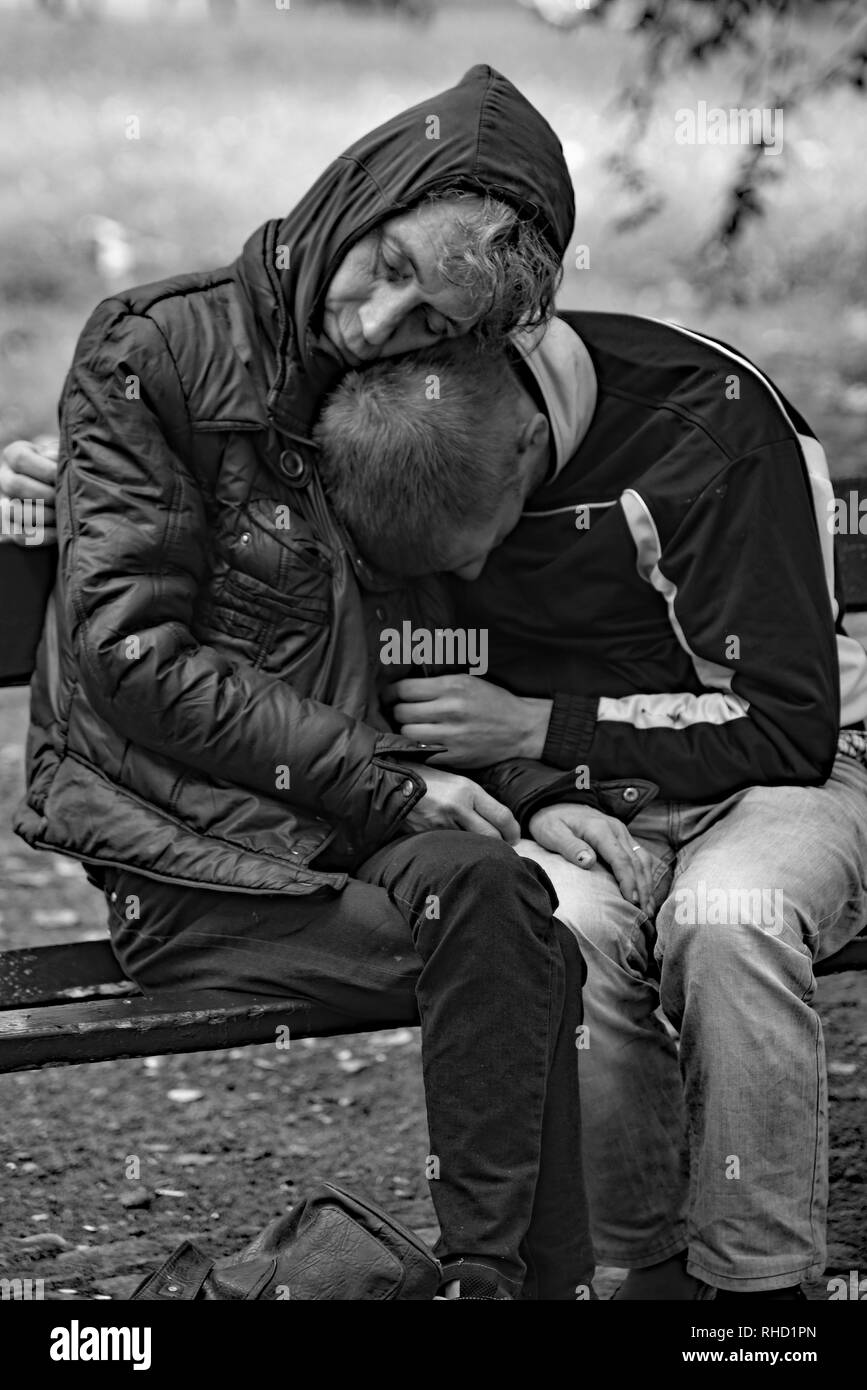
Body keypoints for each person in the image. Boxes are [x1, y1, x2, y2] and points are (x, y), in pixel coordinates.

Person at [1, 66, 653, 1303]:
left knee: (504, 901)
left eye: (427, 322)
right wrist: (395, 796)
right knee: (516, 938)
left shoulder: (400, 397)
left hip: (347, 837)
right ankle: (516, 1283)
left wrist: (524, 780)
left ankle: (494, 1280)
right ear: (360, 193)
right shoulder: (158, 349)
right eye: (389, 266)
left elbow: (427, 631)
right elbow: (131, 656)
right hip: (193, 863)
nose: (379, 321)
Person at [309, 320, 867, 1300]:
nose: (476, 582)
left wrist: (542, 724)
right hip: (578, 793)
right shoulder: (391, 423)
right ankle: (639, 1275)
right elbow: (424, 708)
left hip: (794, 773)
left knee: (726, 919)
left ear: (528, 452)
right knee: (559, 931)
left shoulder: (707, 424)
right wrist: (535, 784)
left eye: (483, 543)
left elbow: (790, 730)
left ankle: (762, 1296)